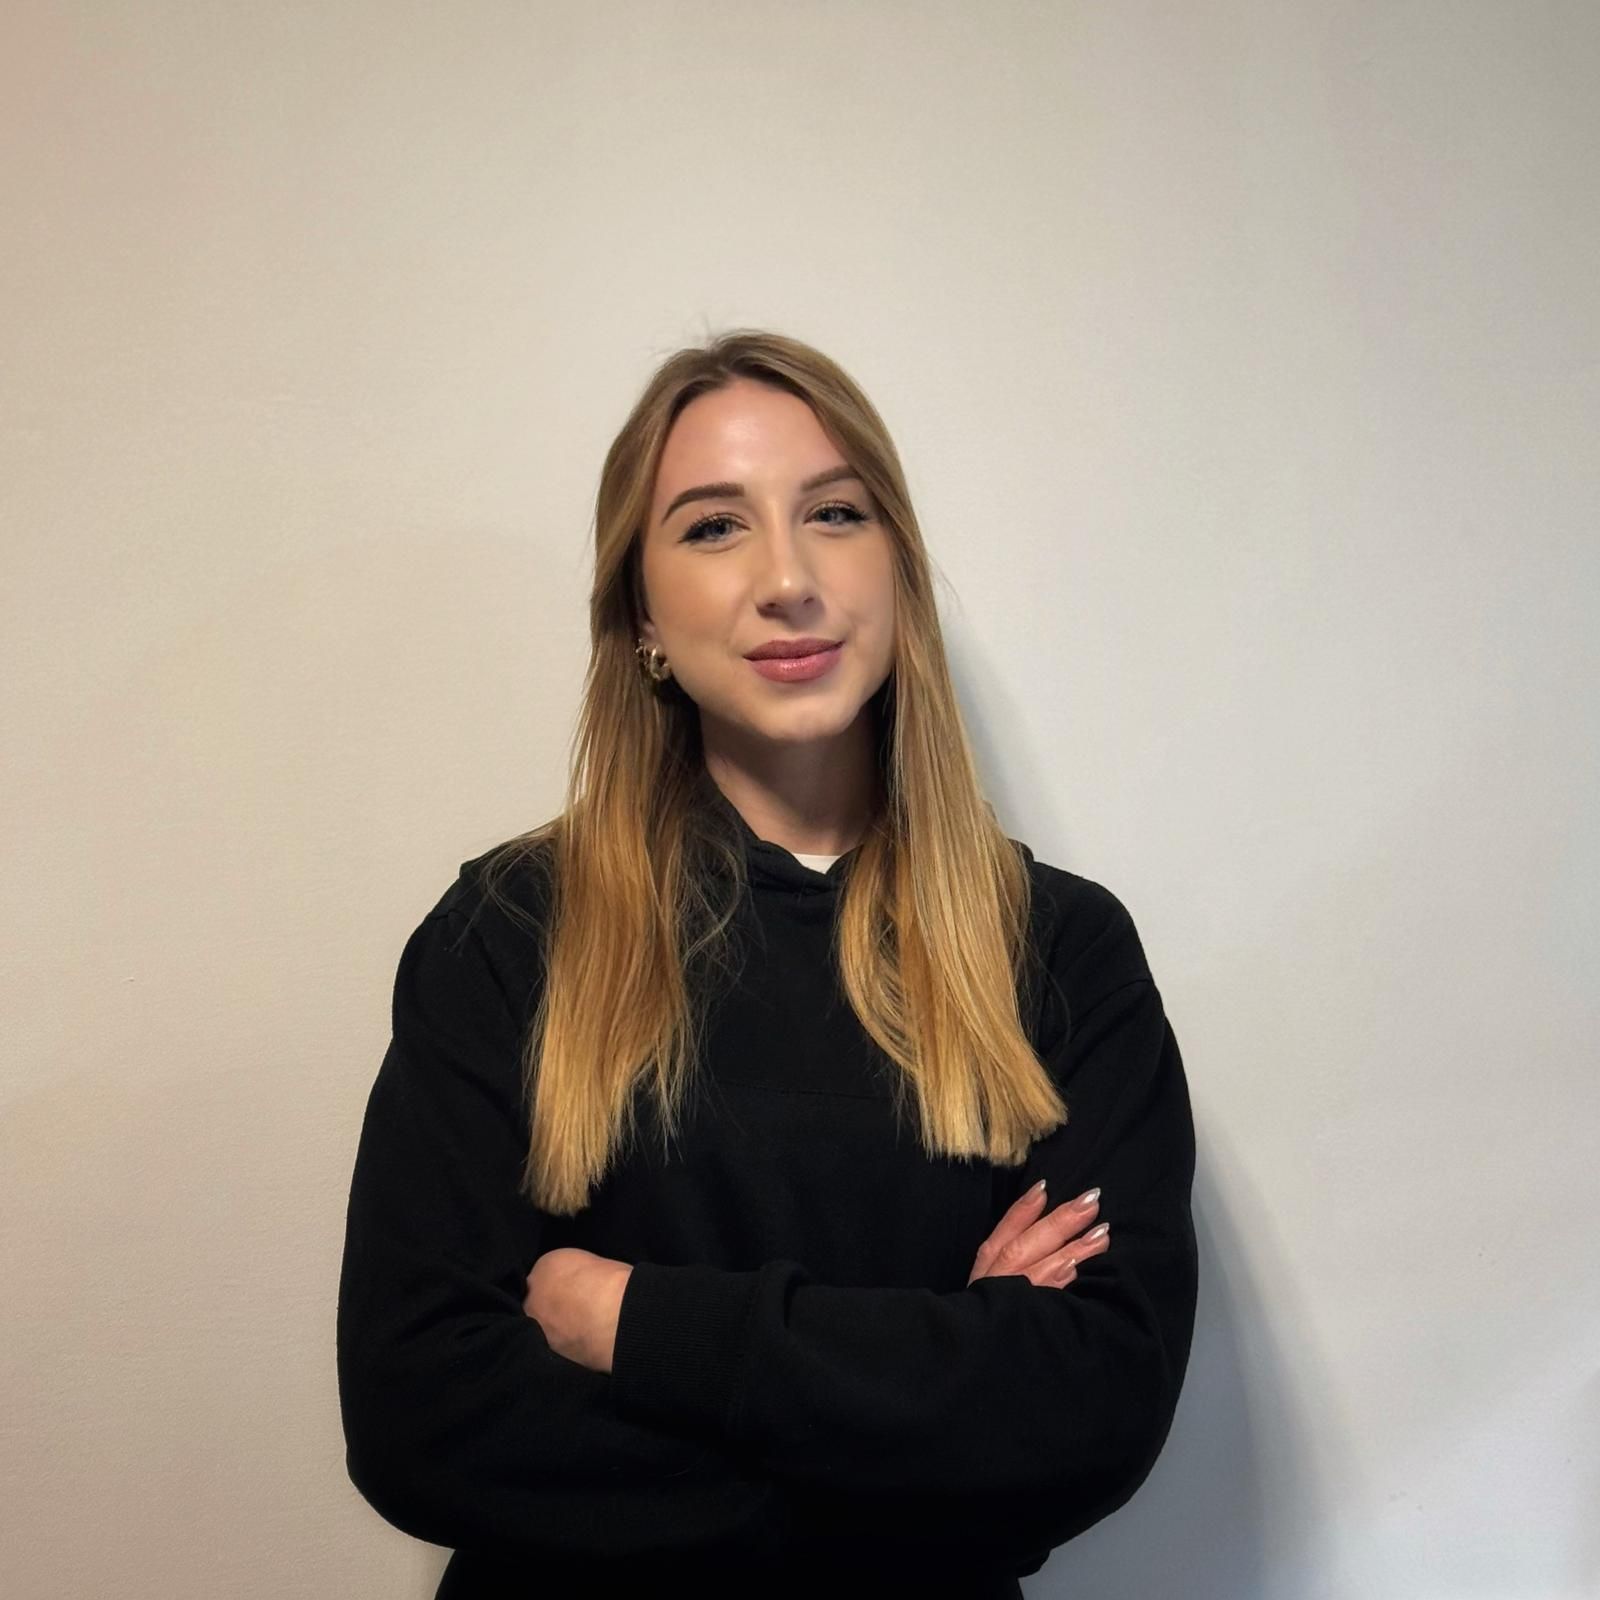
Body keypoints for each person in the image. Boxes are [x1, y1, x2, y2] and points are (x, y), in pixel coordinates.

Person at [336, 329, 1199, 1598]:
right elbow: (419, 1417)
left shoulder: (1060, 949)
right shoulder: (507, 935)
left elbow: (1092, 1410)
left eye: (835, 513)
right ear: (641, 612)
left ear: (898, 568)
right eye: (712, 527)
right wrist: (930, 1445)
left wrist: (632, 1319)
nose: (787, 578)